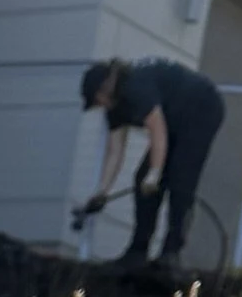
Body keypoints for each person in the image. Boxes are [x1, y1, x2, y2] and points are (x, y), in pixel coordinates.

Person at [73, 55, 229, 264]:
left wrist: (155, 174)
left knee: (181, 180)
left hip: (201, 107)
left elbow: (157, 130)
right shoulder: (115, 109)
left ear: (105, 88)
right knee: (141, 180)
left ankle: (171, 252)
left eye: (97, 99)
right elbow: (115, 151)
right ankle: (138, 251)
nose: (99, 105)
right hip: (172, 121)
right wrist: (102, 191)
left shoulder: (134, 87)